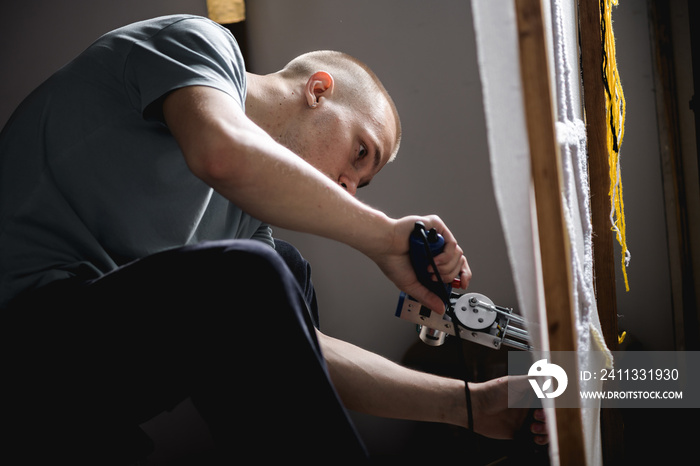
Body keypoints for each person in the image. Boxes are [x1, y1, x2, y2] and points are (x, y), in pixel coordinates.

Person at [0, 14, 546, 464]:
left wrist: (470, 405)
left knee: (279, 271)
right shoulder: (201, 43)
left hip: (77, 376)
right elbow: (221, 153)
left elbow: (302, 354)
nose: (348, 189)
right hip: (22, 331)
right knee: (256, 272)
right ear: (318, 90)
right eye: (360, 153)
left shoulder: (242, 226)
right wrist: (383, 237)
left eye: (361, 183)